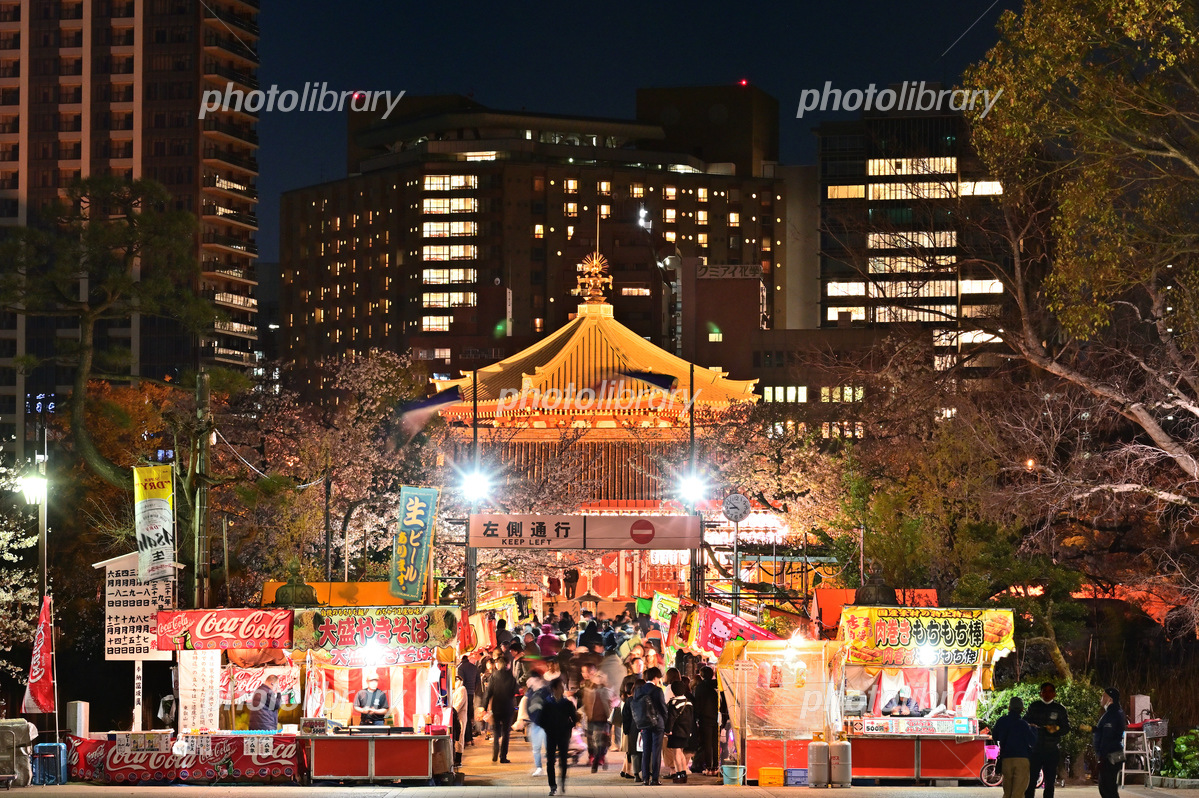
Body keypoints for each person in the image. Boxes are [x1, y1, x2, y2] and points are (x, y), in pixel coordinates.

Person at [1025, 682, 1071, 798]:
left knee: (1050, 783)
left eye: (1050, 691)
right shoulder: (1034, 706)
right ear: (1040, 693)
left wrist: (1054, 729)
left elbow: (1066, 728)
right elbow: (1024, 722)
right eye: (1044, 691)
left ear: (1054, 694)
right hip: (1035, 750)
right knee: (1030, 782)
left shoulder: (1059, 709)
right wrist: (1030, 726)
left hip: (1051, 750)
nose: (1047, 694)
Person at [992, 696, 1037, 798]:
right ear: (1022, 710)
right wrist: (1034, 730)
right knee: (1018, 793)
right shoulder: (1024, 725)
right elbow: (1033, 741)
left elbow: (995, 736)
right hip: (1022, 759)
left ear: (1009, 708)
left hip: (1006, 759)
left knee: (1007, 792)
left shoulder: (1001, 721)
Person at [542, 677, 580, 796]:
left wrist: (569, 726)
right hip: (552, 734)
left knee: (563, 760)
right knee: (550, 761)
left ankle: (562, 782)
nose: (563, 689)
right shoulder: (547, 703)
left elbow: (574, 718)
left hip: (563, 734)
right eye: (560, 687)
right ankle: (553, 786)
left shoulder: (567, 703)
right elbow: (541, 719)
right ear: (554, 689)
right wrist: (548, 728)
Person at [634, 667, 667, 786]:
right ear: (655, 678)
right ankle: (655, 779)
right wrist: (666, 723)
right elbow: (663, 709)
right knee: (656, 752)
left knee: (646, 751)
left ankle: (645, 778)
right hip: (657, 724)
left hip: (644, 723)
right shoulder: (658, 690)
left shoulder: (638, 690)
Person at [692, 666, 727, 776]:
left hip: (705, 718)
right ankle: (716, 767)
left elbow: (698, 704)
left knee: (707, 743)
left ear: (701, 675)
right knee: (716, 743)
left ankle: (709, 767)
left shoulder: (700, 687)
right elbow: (724, 702)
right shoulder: (718, 685)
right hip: (718, 718)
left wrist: (696, 717)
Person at [1094, 687, 1127, 798]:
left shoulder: (1112, 714)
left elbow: (1108, 736)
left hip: (1110, 755)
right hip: (1114, 753)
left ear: (1110, 699)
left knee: (1107, 788)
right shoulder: (1115, 712)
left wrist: (1102, 756)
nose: (1101, 698)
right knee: (1109, 787)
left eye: (1103, 696)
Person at [486, 654, 518, 763]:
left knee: (496, 731)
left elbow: (488, 692)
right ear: (508, 665)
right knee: (506, 733)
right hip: (508, 707)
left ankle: (495, 753)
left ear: (498, 664)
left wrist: (484, 707)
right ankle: (503, 757)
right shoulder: (512, 677)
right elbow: (515, 691)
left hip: (496, 707)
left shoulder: (494, 676)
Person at [519, 674, 551, 777]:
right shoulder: (530, 692)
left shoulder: (546, 691)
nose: (528, 682)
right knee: (536, 747)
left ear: (536, 679)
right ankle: (539, 768)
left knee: (548, 747)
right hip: (534, 723)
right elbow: (525, 704)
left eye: (530, 679)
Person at [665, 673, 694, 782]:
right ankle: (683, 773)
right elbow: (691, 718)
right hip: (686, 732)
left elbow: (671, 719)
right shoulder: (689, 702)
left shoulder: (673, 703)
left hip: (676, 732)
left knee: (676, 753)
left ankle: (679, 773)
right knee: (681, 752)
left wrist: (668, 730)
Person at [582, 669, 612, 772]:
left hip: (603, 719)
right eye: (597, 676)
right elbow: (586, 704)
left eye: (601, 677)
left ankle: (596, 761)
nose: (598, 679)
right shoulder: (588, 690)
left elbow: (609, 705)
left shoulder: (607, 690)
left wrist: (610, 718)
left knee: (601, 742)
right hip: (591, 719)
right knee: (591, 741)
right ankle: (596, 758)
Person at [619, 676, 644, 781]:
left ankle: (636, 774)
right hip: (644, 728)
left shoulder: (629, 700)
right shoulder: (645, 699)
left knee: (634, 752)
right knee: (643, 751)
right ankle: (644, 773)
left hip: (633, 729)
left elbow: (626, 717)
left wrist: (626, 729)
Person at [458, 654, 480, 746]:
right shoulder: (474, 667)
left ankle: (467, 739)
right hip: (471, 693)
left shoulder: (461, 667)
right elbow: (478, 681)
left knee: (464, 716)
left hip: (464, 693)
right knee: (469, 715)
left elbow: (461, 682)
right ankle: (470, 739)